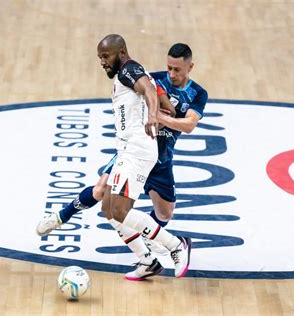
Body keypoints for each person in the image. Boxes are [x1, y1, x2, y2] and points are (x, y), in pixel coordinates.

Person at [38, 37, 203, 279]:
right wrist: (162, 106)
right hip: (128, 149)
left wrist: (152, 116)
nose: (102, 62)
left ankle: (176, 245)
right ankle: (147, 261)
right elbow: (158, 94)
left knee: (121, 210)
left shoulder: (129, 69)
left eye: (106, 57)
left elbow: (148, 88)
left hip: (138, 149)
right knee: (108, 207)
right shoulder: (128, 74)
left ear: (121, 53)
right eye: (100, 58)